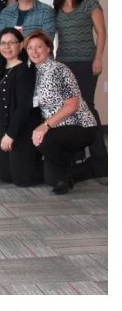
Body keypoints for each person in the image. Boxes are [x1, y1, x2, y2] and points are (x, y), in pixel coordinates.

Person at [26, 31, 98, 194]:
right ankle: (75, 171)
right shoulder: (36, 72)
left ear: (48, 48)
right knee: (51, 179)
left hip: (81, 126)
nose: (34, 51)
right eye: (30, 48)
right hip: (57, 129)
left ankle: (81, 170)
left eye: (39, 47)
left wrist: (45, 126)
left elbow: (72, 105)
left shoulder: (58, 69)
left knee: (43, 140)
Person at [53, 0, 107, 177]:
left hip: (86, 62)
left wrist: (98, 58)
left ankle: (101, 159)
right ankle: (75, 156)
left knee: (87, 107)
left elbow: (101, 32)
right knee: (69, 109)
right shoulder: (57, 7)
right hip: (63, 63)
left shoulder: (89, 2)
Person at [0, 28, 42, 187]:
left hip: (21, 130)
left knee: (22, 180)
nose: (7, 47)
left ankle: (60, 169)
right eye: (3, 43)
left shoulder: (25, 70)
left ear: (21, 45)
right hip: (3, 129)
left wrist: (10, 135)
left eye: (12, 42)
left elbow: (24, 106)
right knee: (6, 176)